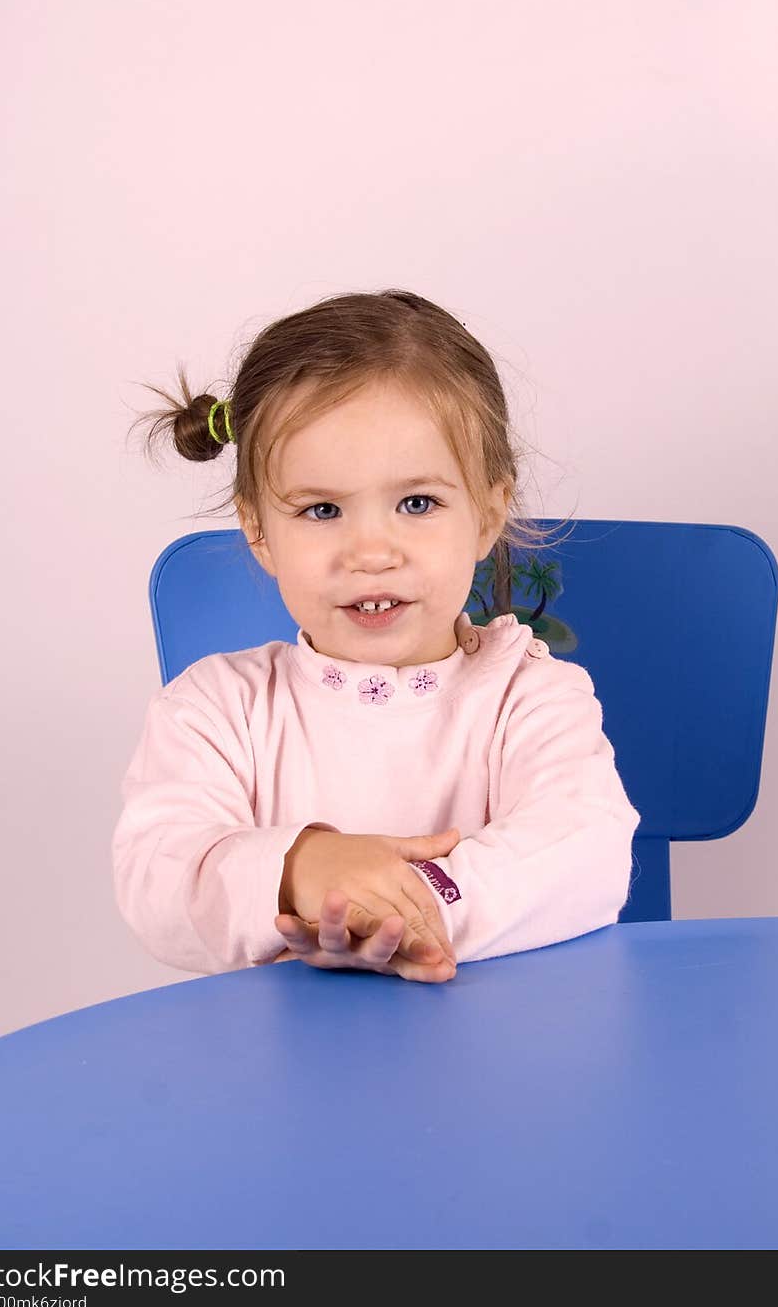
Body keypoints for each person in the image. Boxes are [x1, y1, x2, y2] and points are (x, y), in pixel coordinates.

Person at [113, 289, 641, 983]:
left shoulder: (531, 695)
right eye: (322, 509)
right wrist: (299, 867)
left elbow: (588, 847)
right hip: (275, 1070)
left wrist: (415, 906)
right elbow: (157, 876)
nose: (370, 551)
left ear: (488, 514)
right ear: (257, 530)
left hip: (501, 1058)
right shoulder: (212, 709)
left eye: (417, 503)